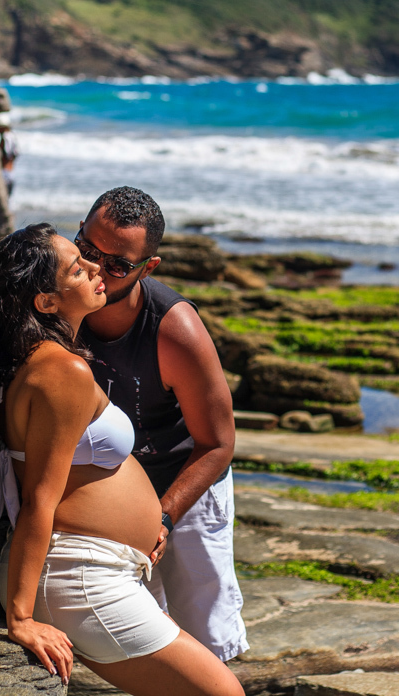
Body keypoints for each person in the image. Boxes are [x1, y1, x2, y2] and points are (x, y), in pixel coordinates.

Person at [0, 223, 243, 696]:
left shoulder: (44, 358)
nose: (96, 269)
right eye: (80, 265)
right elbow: (41, 497)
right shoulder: (64, 370)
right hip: (76, 575)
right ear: (46, 301)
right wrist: (20, 618)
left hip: (88, 571)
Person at [74, 187, 248, 662]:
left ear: (147, 267)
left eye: (117, 264)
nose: (96, 270)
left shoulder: (175, 331)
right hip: (110, 485)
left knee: (207, 633)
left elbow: (217, 443)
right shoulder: (57, 304)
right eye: (87, 250)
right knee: (138, 631)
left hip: (186, 481)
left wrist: (164, 517)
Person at [0, 113, 18, 196]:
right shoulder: (12, 136)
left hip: (5, 170)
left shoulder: (5, 137)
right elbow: (15, 153)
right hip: (9, 170)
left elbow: (7, 153)